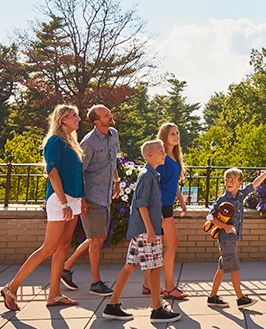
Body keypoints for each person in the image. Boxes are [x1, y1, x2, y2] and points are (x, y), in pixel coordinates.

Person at [1, 104, 85, 311]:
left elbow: (77, 175)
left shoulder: (72, 143)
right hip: (60, 200)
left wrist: (81, 200)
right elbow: (53, 173)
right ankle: (11, 287)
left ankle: (54, 294)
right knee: (49, 248)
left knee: (64, 246)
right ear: (63, 119)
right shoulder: (55, 141)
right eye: (74, 115)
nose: (79, 119)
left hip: (73, 200)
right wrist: (64, 202)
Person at [102, 140, 181, 323]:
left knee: (130, 265)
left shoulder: (152, 174)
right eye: (161, 151)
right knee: (155, 267)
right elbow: (141, 204)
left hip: (143, 230)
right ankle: (157, 310)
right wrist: (151, 231)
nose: (164, 154)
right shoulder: (147, 175)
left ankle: (112, 305)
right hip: (147, 231)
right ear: (149, 156)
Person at [61, 104, 121, 296]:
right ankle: (96, 282)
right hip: (92, 196)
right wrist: (83, 199)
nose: (110, 116)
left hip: (106, 196)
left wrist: (116, 181)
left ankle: (66, 267)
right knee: (96, 240)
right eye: (106, 115)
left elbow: (113, 161)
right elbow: (81, 171)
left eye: (109, 112)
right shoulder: (89, 142)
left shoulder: (114, 134)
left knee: (98, 237)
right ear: (97, 121)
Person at [206, 162, 266, 309]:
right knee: (234, 268)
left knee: (222, 268)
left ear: (240, 183)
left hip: (233, 239)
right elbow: (210, 217)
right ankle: (240, 299)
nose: (229, 183)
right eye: (226, 180)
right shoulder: (222, 200)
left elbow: (255, 184)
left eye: (232, 180)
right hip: (226, 240)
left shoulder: (240, 195)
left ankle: (212, 297)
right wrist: (226, 226)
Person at [142, 123, 188, 299]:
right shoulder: (162, 159)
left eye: (177, 133)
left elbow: (173, 183)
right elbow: (155, 183)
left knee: (158, 246)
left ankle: (148, 285)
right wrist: (158, 209)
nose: (176, 136)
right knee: (172, 243)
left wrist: (182, 202)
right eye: (172, 134)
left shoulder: (174, 158)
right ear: (164, 136)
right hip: (160, 206)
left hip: (168, 204)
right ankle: (169, 287)